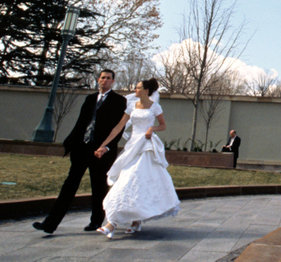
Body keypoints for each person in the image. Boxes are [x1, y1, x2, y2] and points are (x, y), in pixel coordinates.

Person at [33, 70, 128, 234]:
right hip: (82, 148)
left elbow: (118, 128)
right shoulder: (90, 99)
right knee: (69, 185)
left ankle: (96, 221)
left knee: (98, 187)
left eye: (108, 78)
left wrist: (107, 146)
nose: (104, 80)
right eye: (102, 78)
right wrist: (73, 143)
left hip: (101, 151)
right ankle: (50, 224)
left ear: (113, 81)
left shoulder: (119, 101)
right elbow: (81, 123)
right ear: (98, 80)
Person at [94, 78, 180, 238]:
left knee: (139, 181)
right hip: (133, 146)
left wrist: (152, 128)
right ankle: (116, 222)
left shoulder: (155, 107)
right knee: (126, 181)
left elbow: (163, 125)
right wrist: (103, 144)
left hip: (146, 147)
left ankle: (124, 223)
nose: (135, 90)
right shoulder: (131, 106)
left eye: (138, 88)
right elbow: (119, 127)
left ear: (146, 91)